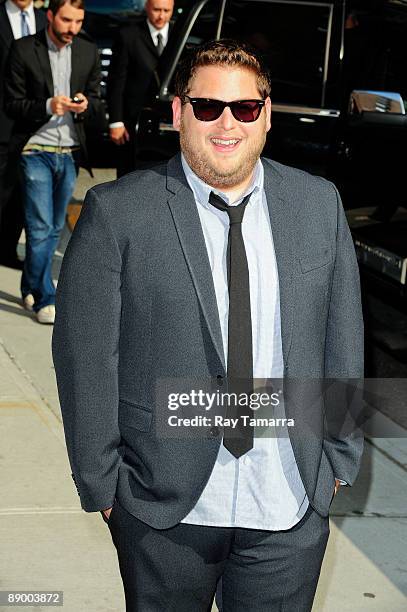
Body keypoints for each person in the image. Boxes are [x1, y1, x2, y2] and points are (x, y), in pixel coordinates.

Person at [52, 40, 364, 611]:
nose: (227, 123)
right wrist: (104, 485)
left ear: (266, 115)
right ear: (178, 113)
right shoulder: (118, 213)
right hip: (163, 509)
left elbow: (340, 340)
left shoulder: (318, 205)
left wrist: (337, 460)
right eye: (207, 107)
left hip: (289, 501)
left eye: (244, 108)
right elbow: (85, 360)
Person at [4, 0, 101, 324]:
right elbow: (12, 103)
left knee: (56, 226)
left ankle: (30, 283)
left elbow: (97, 100)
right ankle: (45, 296)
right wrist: (47, 105)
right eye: (66, 20)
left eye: (78, 21)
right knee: (41, 227)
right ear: (50, 16)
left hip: (71, 152)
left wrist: (86, 105)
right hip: (35, 150)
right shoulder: (23, 49)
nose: (72, 28)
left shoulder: (87, 50)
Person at [0, 0, 47, 270]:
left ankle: (6, 249)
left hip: (34, 123)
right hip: (2, 121)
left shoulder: (44, 20)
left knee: (21, 193)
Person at [107, 0, 174, 177]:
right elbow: (116, 81)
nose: (161, 16)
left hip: (168, 119)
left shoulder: (180, 35)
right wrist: (116, 121)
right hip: (133, 120)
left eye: (166, 10)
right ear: (147, 8)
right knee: (128, 175)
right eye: (157, 10)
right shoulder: (129, 35)